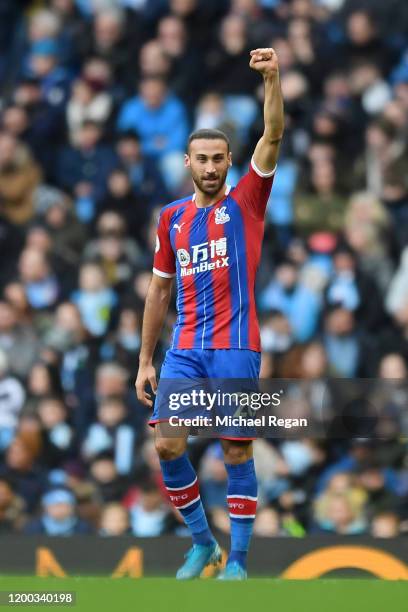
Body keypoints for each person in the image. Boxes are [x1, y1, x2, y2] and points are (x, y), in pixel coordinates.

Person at [135, 47, 284, 580]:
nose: (211, 166)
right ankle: (203, 544)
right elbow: (158, 294)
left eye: (219, 158)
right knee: (167, 441)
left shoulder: (246, 201)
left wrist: (272, 80)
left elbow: (272, 137)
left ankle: (239, 563)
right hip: (186, 349)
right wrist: (144, 360)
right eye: (202, 158)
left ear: (228, 161)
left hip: (237, 345)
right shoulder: (171, 219)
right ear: (187, 163)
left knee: (237, 451)